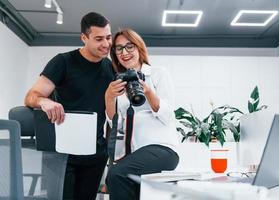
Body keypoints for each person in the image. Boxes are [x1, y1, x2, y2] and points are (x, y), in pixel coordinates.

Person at [24, 12, 114, 200]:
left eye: (108, 37)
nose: (106, 44)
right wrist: (44, 100)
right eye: (99, 39)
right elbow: (32, 96)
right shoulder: (63, 62)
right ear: (84, 38)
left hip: (95, 153)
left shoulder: (110, 68)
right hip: (61, 154)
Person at [105, 28, 179, 200]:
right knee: (119, 182)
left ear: (139, 48)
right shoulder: (117, 83)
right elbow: (117, 126)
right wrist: (108, 97)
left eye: (129, 46)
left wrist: (148, 92)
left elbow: (168, 116)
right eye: (119, 48)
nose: (124, 52)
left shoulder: (158, 74)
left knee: (116, 175)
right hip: (133, 155)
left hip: (162, 148)